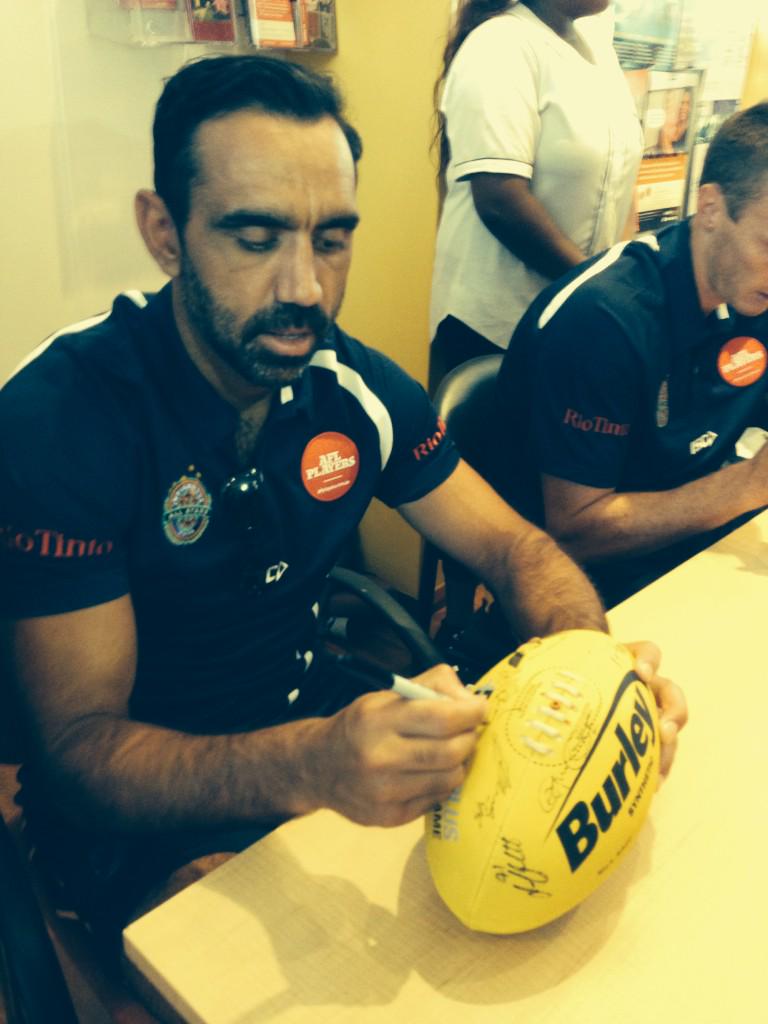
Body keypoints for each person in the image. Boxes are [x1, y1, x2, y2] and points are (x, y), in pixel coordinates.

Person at [0, 55, 684, 972]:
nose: (305, 289)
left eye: (331, 239)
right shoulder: (61, 420)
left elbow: (519, 549)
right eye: (255, 237)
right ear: (163, 233)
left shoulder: (347, 384)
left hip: (317, 722)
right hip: (139, 806)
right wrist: (312, 764)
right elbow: (78, 755)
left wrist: (594, 676)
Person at [494, 101, 768, 608]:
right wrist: (746, 488)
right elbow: (577, 531)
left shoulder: (749, 287)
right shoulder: (605, 321)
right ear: (710, 209)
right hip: (587, 587)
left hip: (702, 553)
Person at [428, 0, 642, 391]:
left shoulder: (598, 50)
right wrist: (596, 285)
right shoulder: (499, 44)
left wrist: (629, 275)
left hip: (577, 315)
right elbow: (499, 198)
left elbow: (620, 181)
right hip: (497, 327)